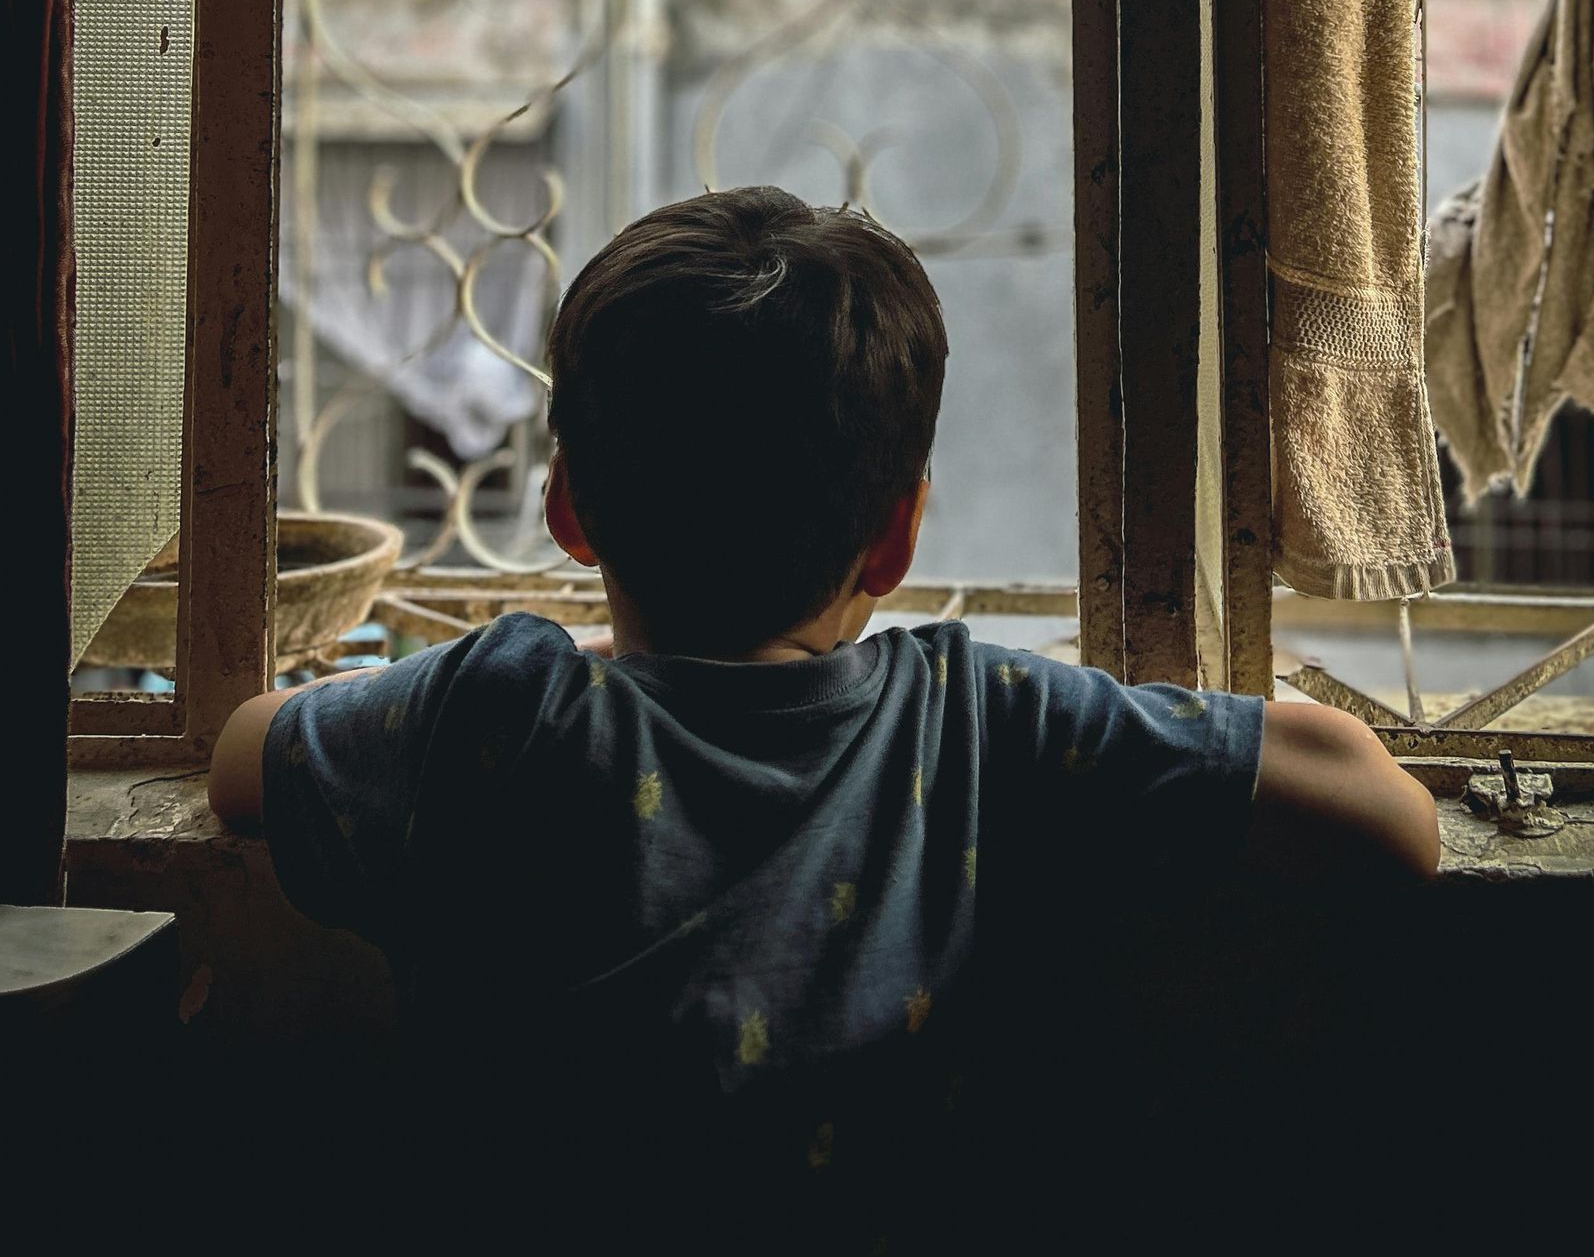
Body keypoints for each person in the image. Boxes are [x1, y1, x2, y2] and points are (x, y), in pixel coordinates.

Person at [210, 186, 1435, 1212]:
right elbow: (1388, 816)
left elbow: (240, 755)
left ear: (569, 507)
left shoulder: (500, 709)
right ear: (897, 537)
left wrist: (560, 651)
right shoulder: (978, 722)